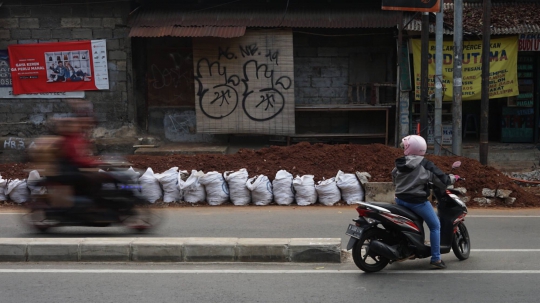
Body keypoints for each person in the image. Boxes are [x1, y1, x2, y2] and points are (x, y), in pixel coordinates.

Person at [391, 135, 459, 269]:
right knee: (435, 226)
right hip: (417, 202)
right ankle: (436, 258)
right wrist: (453, 178)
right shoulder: (425, 164)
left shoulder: (400, 163)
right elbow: (441, 180)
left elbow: (394, 177)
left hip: (400, 200)